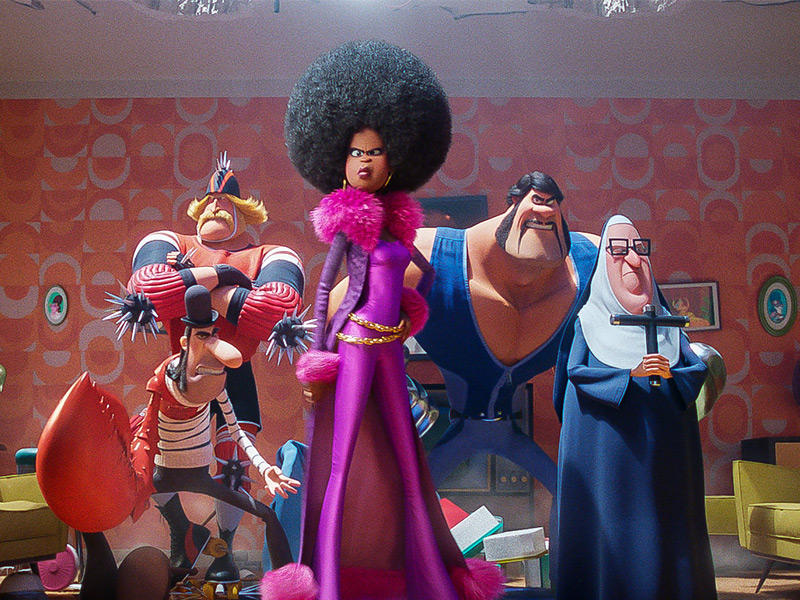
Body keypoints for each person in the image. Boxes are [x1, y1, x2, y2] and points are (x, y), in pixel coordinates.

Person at [260, 40, 504, 600]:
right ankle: (328, 577)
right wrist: (316, 355)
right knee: (341, 456)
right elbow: (325, 290)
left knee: (405, 455)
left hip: (391, 348)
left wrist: (415, 307)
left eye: (375, 151)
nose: (365, 161)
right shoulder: (350, 226)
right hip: (352, 346)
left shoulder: (398, 228)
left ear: (395, 159)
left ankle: (426, 573)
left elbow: (424, 269)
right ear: (340, 161)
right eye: (355, 153)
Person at [112, 153, 305, 582]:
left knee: (232, 459)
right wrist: (225, 276)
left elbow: (278, 308)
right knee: (152, 455)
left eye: (227, 202)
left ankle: (224, 552)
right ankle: (181, 529)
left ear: (244, 212)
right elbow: (146, 288)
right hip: (180, 370)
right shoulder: (165, 239)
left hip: (235, 374)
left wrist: (194, 288)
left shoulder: (273, 253)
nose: (216, 207)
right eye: (211, 201)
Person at [37, 286, 301, 596]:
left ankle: (289, 590)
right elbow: (147, 429)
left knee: (267, 514)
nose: (211, 343)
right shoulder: (162, 380)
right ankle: (109, 572)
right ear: (186, 341)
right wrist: (135, 477)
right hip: (161, 472)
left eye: (212, 334)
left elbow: (235, 430)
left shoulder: (215, 381)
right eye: (202, 336)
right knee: (94, 513)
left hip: (199, 475)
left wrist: (265, 468)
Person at [553, 214, 716, 599]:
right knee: (613, 535)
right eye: (619, 250)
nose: (632, 260)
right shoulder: (588, 322)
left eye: (639, 249)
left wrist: (673, 375)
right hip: (611, 464)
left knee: (668, 530)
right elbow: (576, 375)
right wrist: (629, 376)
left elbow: (694, 370)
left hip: (664, 464)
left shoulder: (669, 325)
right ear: (604, 262)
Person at [405, 171, 598, 495]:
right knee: (417, 499)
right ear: (513, 202)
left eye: (551, 204)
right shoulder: (429, 253)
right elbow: (342, 326)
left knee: (564, 492)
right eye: (536, 202)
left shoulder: (590, 256)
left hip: (506, 430)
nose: (545, 211)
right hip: (462, 429)